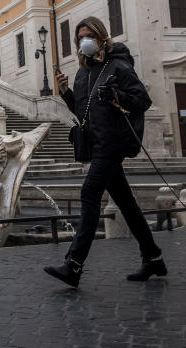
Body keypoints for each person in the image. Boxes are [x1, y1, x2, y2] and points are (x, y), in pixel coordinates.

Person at [43, 16, 166, 288]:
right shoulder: (83, 72)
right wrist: (65, 93)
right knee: (126, 203)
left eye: (88, 35)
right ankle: (153, 258)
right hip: (96, 142)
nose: (84, 41)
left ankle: (73, 265)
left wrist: (117, 97)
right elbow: (82, 113)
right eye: (79, 37)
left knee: (89, 194)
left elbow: (142, 101)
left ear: (101, 37)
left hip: (113, 143)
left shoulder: (119, 66)